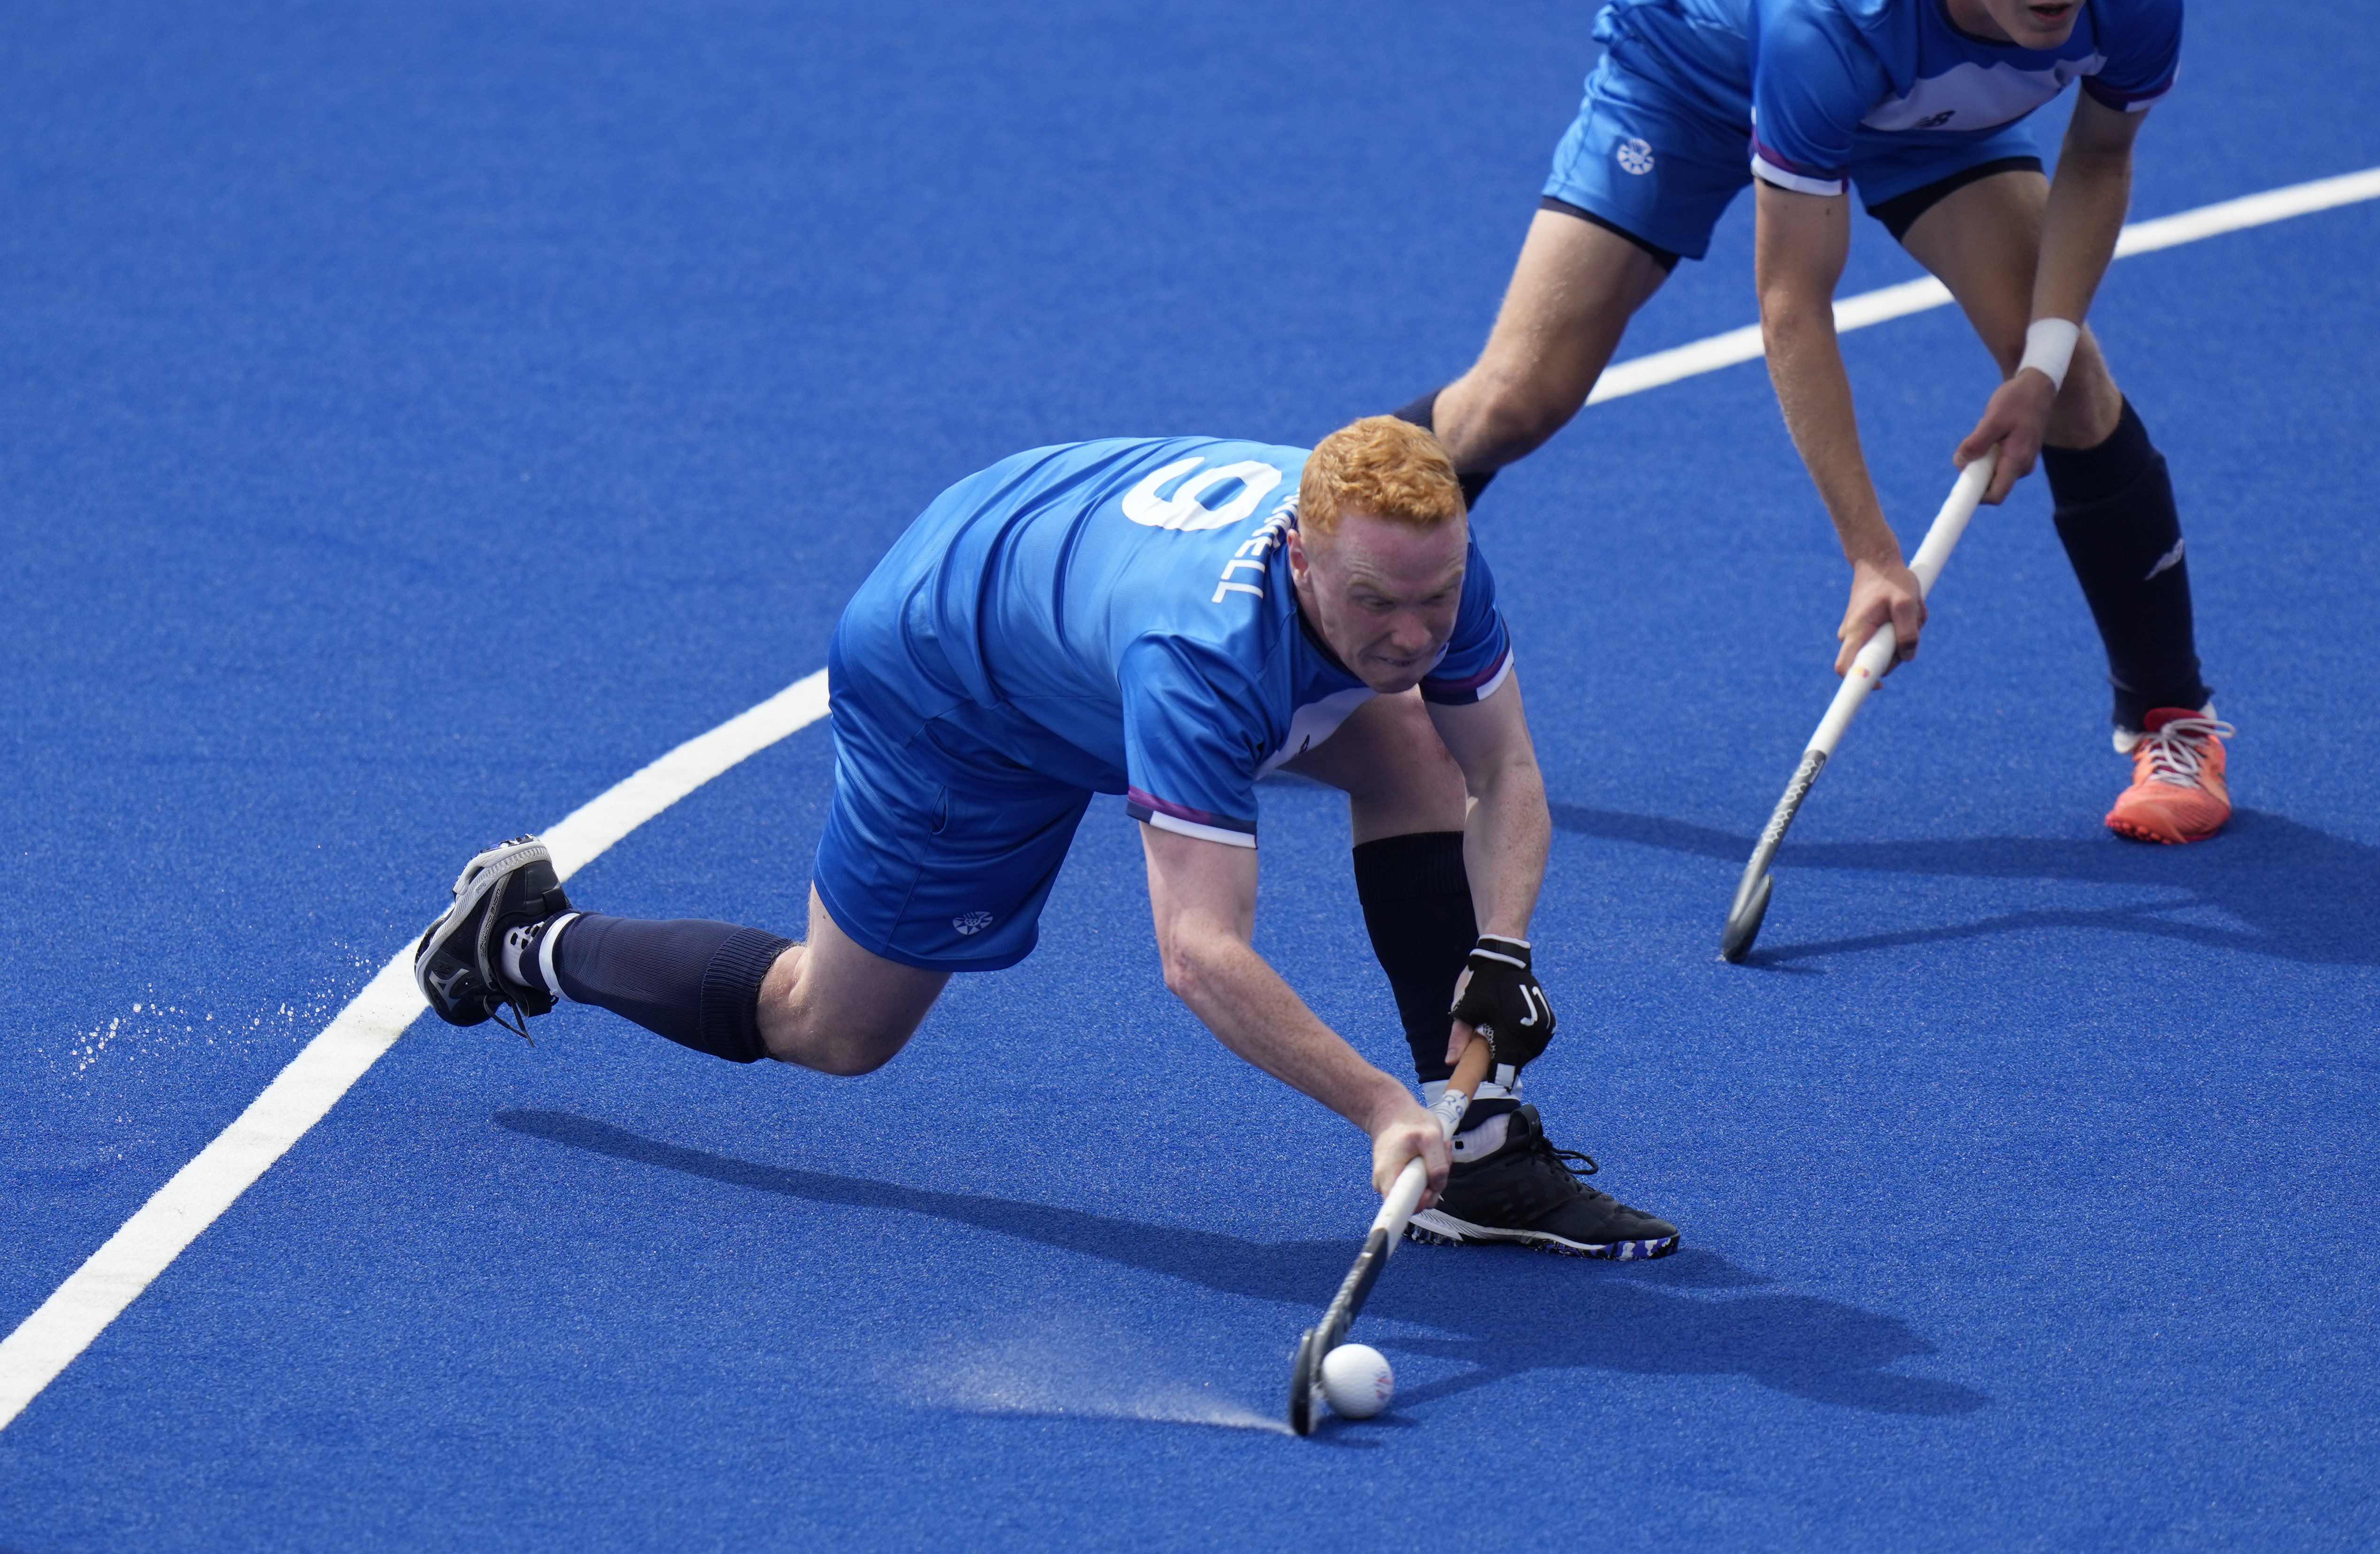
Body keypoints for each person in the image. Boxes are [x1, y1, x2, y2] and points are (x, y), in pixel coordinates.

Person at [413, 416, 1677, 1260]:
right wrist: (1377, 1109)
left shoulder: (1426, 554)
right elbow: (1196, 954)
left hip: (1050, 560)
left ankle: (1487, 1143)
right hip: (957, 674)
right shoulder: (1201, 662)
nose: (1413, 634)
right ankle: (529, 935)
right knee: (838, 1027)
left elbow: (1500, 766)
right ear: (1300, 557)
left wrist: (1501, 946)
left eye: (1434, 601)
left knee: (1408, 741)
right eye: (1376, 603)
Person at [1394, 0, 2232, 843]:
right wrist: (1870, 555)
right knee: (1513, 401)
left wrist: (2034, 361)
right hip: (1694, 67)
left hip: (1936, 108)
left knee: (2073, 392)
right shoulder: (1826, 14)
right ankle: (1277, 574)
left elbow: (2098, 163)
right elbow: (1792, 302)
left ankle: (2172, 720)